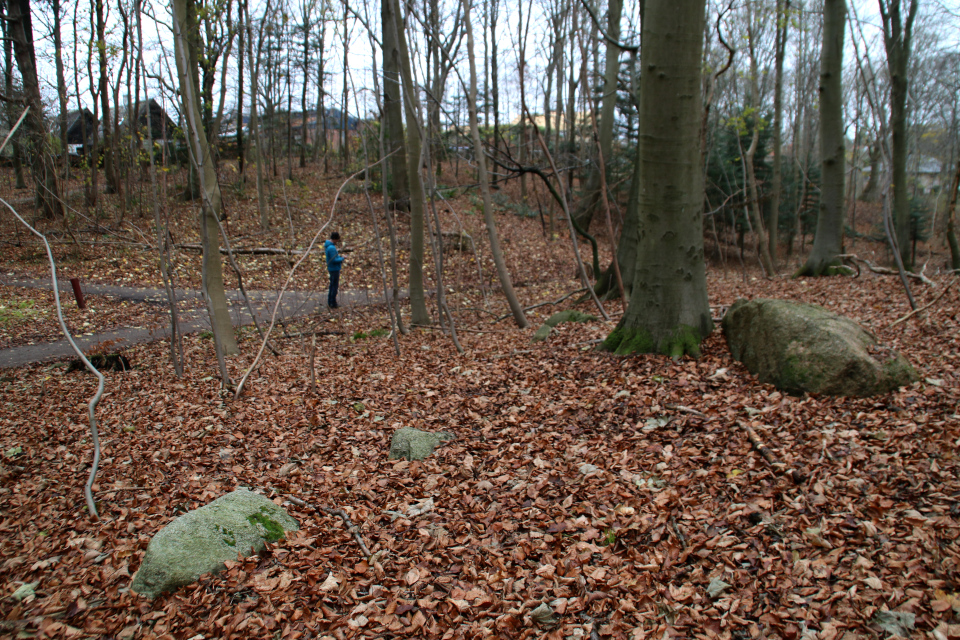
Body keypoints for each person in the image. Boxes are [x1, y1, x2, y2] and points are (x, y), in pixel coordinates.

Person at [324, 232, 345, 308]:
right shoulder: (332, 248)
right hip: (334, 268)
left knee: (332, 285)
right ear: (335, 239)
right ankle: (333, 302)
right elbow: (334, 260)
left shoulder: (329, 246)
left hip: (331, 268)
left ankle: (331, 301)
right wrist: (342, 258)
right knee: (334, 286)